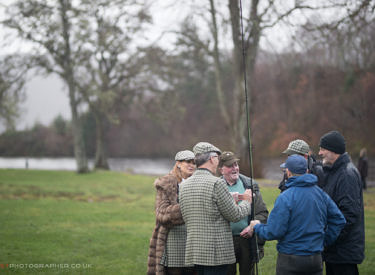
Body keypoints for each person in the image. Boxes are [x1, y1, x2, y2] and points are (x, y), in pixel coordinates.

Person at [245, 154, 346, 275]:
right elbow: (339, 220)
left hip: (290, 260)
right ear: (307, 171)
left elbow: (274, 231)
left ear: (288, 172)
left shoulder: (285, 197)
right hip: (315, 259)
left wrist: (256, 226)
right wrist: (323, 241)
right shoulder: (320, 194)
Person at [179, 142, 253, 275]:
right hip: (216, 255)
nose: (218, 162)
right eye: (218, 158)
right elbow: (235, 215)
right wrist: (247, 201)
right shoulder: (217, 183)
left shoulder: (184, 185)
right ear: (212, 159)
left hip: (195, 252)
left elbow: (187, 216)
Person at [318, 131, 365, 275]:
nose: (319, 153)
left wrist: (327, 239)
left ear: (334, 151)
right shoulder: (333, 171)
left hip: (343, 253)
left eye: (323, 149)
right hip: (335, 252)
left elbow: (348, 216)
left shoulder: (346, 175)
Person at [217, 151, 268, 275]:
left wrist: (252, 227)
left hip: (247, 240)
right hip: (224, 242)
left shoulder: (250, 184)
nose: (235, 168)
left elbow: (263, 214)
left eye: (236, 165)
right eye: (230, 166)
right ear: (221, 170)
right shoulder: (215, 186)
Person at [147, 150, 197, 275]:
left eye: (194, 162)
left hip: (194, 241)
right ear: (178, 164)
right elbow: (162, 213)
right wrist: (188, 207)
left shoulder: (197, 183)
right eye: (187, 162)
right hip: (172, 240)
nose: (191, 165)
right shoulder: (166, 184)